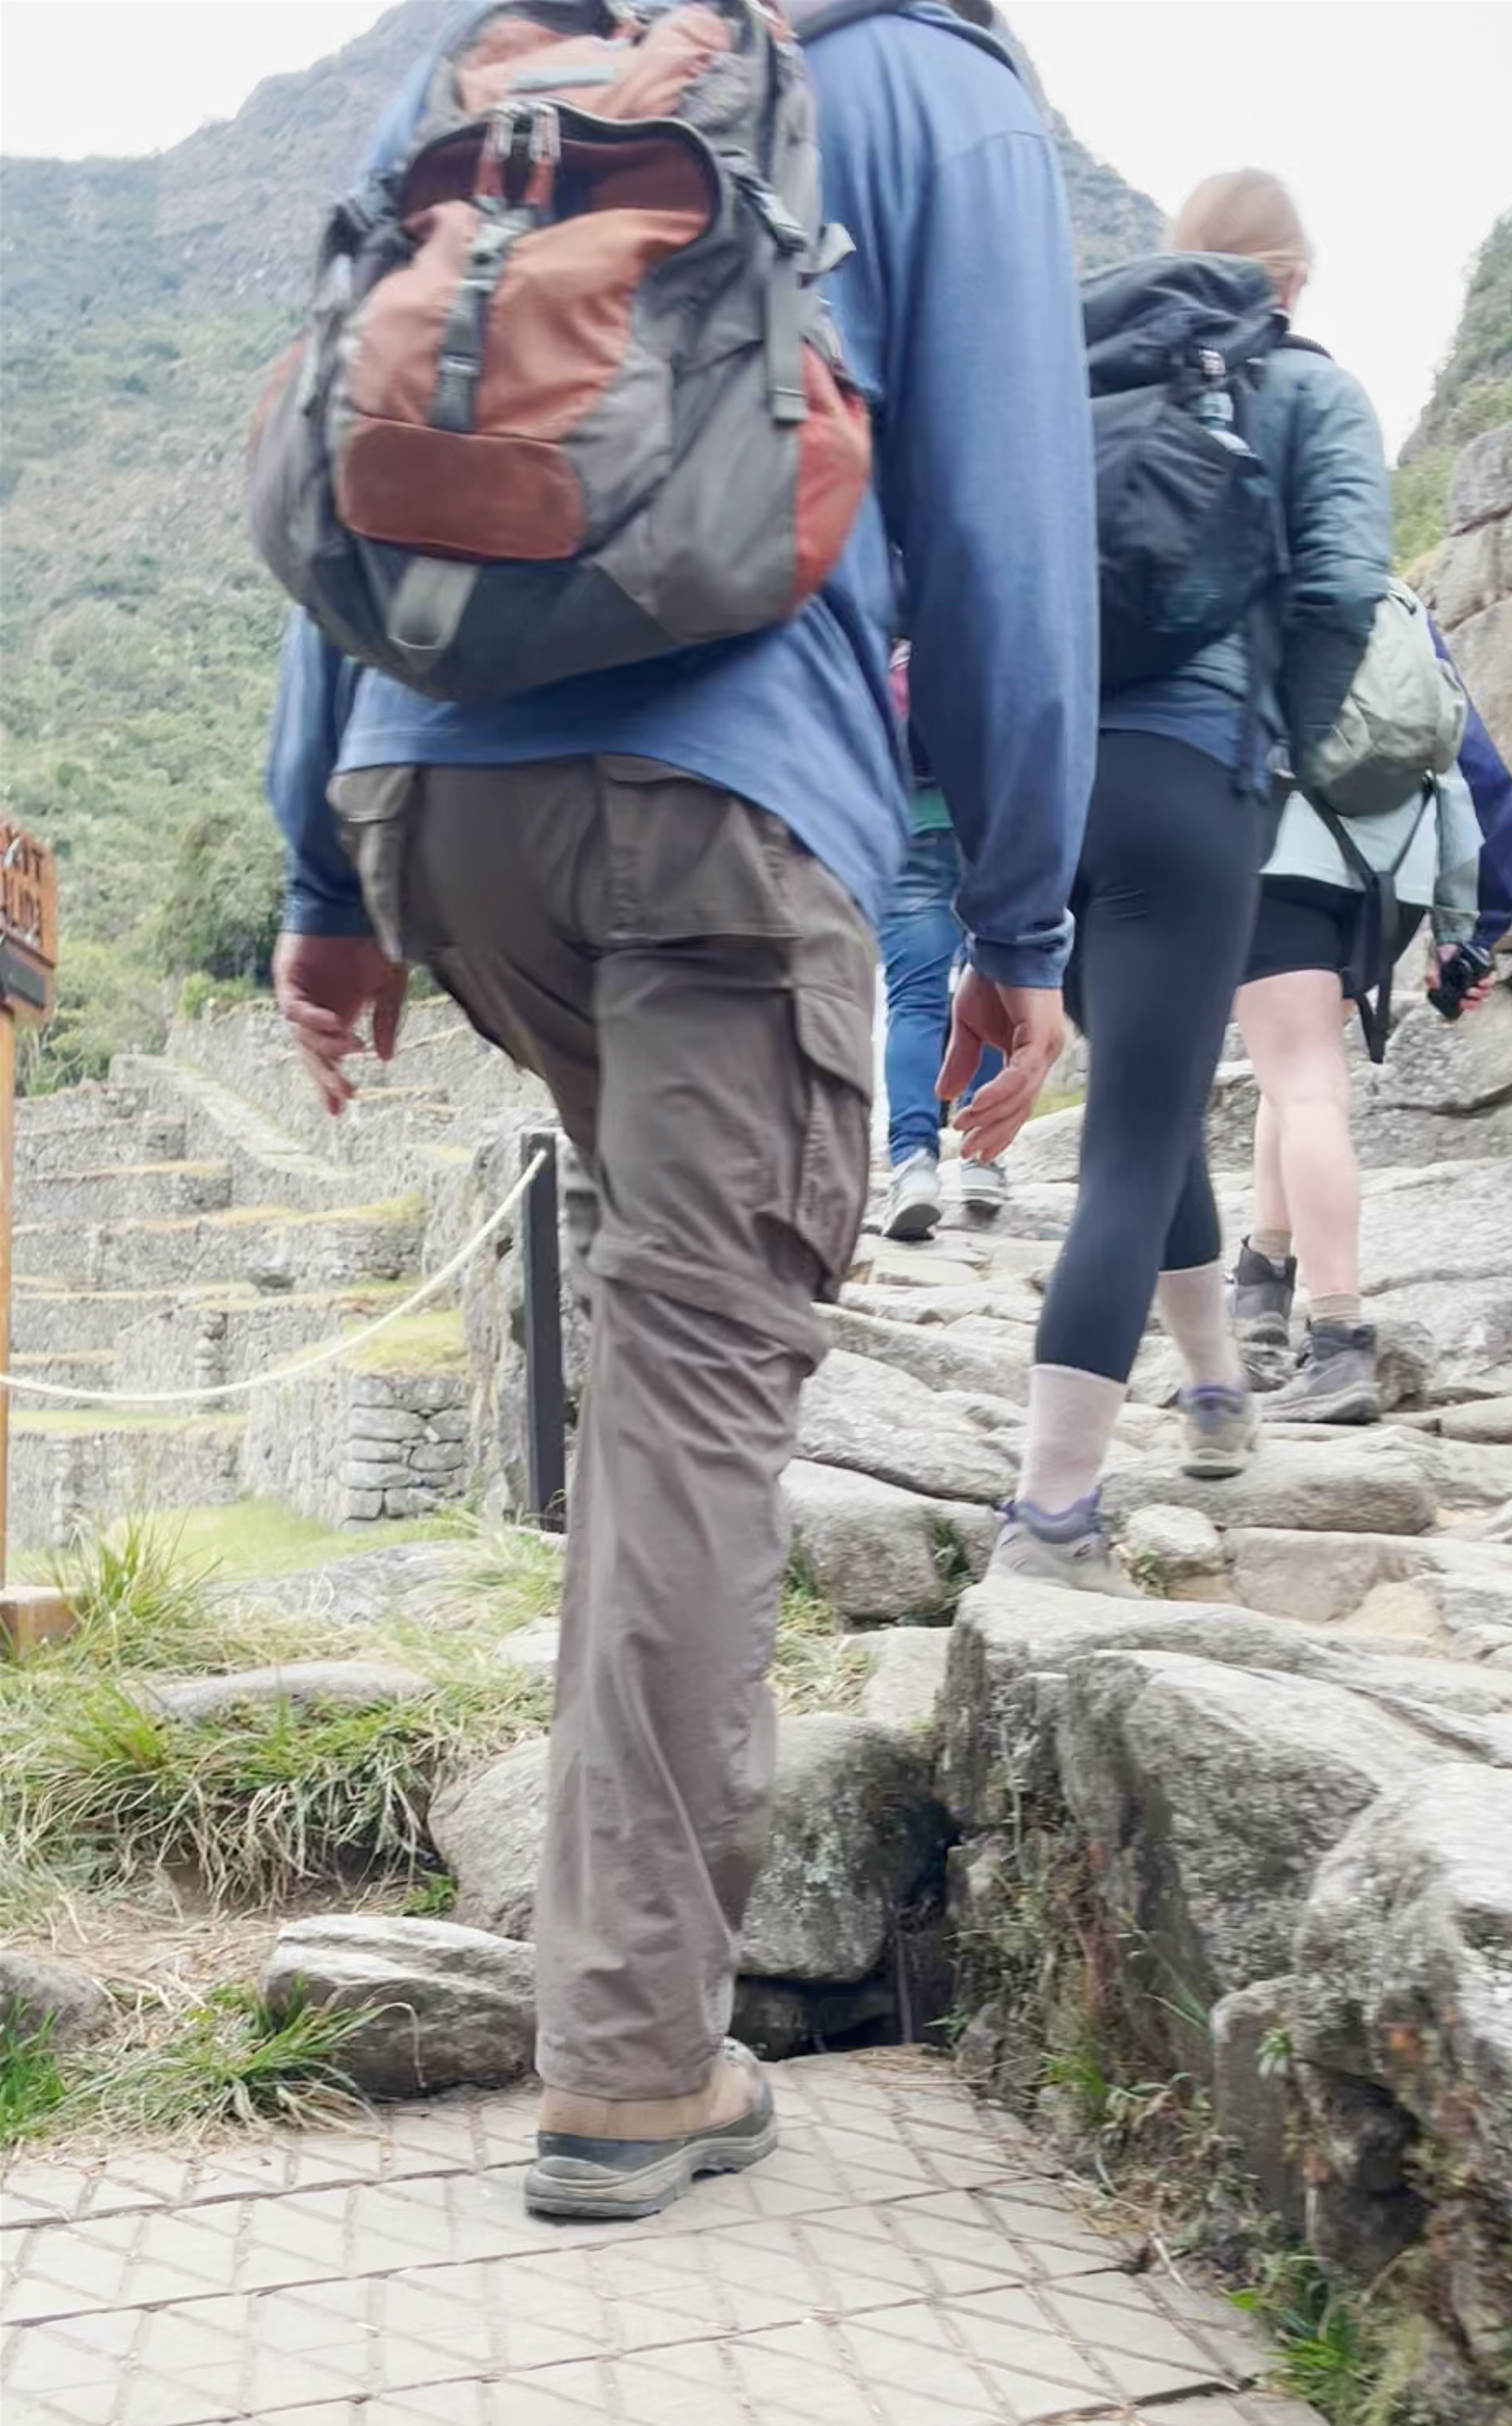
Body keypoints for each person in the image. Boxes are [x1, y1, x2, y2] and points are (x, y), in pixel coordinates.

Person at [267, 0, 1096, 2218]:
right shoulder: (925, 80)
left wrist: (313, 877)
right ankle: (634, 2050)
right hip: (730, 804)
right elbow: (1009, 526)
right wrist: (1022, 910)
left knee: (658, 1324)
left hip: (433, 791)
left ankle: (612, 1957)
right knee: (695, 1386)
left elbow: (362, 422)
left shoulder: (484, 53)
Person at [984, 166, 1392, 1594]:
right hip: (1186, 778)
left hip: (1041, 780)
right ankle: (1049, 1514)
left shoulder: (1073, 380)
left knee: (1142, 1104)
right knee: (1128, 1140)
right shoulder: (1304, 391)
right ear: (1289, 279)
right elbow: (1342, 587)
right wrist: (1273, 748)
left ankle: (1213, 1383)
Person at [1230, 666, 1512, 1421]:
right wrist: (1470, 930)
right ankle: (1260, 1296)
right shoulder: (1394, 604)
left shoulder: (1247, 576)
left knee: (1303, 1084)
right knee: (1292, 1069)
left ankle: (1336, 1341)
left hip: (1277, 851)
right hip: (1386, 873)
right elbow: (1476, 768)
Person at [881, 643, 1008, 1239]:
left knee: (914, 1000)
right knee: (989, 987)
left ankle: (913, 1162)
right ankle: (983, 1157)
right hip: (985, 830)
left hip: (904, 831)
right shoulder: (985, 630)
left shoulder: (884, 646)